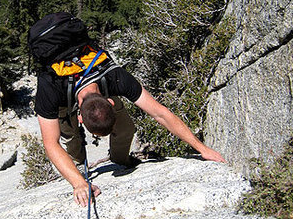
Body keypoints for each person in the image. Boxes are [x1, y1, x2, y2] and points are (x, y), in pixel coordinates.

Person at [35, 57, 226, 207]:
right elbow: (51, 143)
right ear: (80, 118)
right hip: (61, 97)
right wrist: (78, 183)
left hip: (82, 85)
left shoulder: (114, 76)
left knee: (125, 129)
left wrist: (201, 148)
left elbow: (161, 113)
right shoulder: (49, 87)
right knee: (70, 137)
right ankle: (76, 164)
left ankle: (120, 159)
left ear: (110, 101)